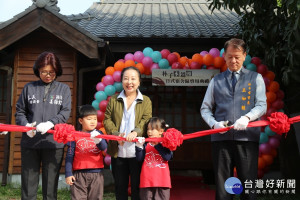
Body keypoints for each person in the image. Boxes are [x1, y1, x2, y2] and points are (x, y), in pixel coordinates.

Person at [200, 38, 267, 200]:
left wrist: (247, 117)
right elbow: (205, 108)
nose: (233, 60)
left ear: (244, 56)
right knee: (224, 187)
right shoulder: (216, 80)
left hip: (247, 138)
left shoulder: (255, 78)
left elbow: (261, 105)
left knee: (248, 184)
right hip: (221, 139)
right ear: (224, 57)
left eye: (237, 56)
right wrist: (214, 124)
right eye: (230, 56)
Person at [15, 52, 71, 200]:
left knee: (50, 186)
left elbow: (65, 112)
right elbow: (20, 111)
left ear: (57, 71)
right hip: (30, 142)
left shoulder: (63, 89)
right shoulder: (29, 88)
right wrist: (26, 126)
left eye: (51, 72)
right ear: (37, 70)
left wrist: (51, 123)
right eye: (44, 72)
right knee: (28, 184)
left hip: (53, 144)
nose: (48, 75)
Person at [103, 66, 152, 200]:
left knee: (137, 187)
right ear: (121, 81)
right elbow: (107, 119)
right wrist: (115, 133)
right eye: (126, 78)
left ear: (139, 82)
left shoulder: (146, 100)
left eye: (133, 78)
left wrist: (136, 132)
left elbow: (146, 119)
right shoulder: (114, 99)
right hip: (118, 150)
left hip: (138, 151)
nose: (129, 82)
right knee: (120, 186)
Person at [65, 105, 107, 200]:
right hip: (79, 175)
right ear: (80, 121)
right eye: (89, 119)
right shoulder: (74, 135)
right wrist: (68, 173)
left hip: (97, 174)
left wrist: (98, 140)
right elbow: (69, 155)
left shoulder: (99, 134)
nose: (93, 121)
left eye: (95, 119)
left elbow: (104, 148)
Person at [135, 117, 172, 200]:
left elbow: (167, 157)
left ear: (161, 131)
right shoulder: (145, 144)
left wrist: (157, 144)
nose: (149, 131)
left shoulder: (166, 143)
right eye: (148, 129)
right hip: (146, 181)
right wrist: (139, 146)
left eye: (152, 129)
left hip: (162, 182)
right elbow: (139, 159)